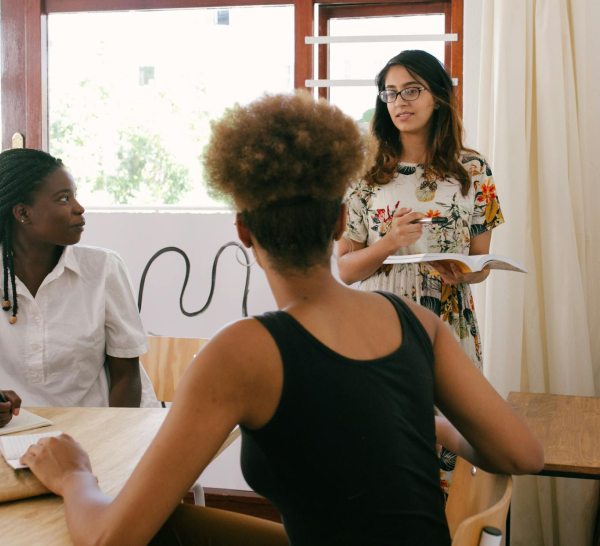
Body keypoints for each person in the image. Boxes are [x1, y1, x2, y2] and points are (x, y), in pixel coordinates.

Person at [22, 92, 543, 546]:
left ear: (243, 231)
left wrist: (74, 477)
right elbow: (523, 453)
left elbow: (109, 539)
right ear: (341, 221)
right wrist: (428, 424)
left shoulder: (241, 350)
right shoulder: (412, 319)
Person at [336, 50, 505, 492]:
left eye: (412, 90)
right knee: (381, 451)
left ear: (439, 98)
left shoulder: (473, 170)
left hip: (448, 322)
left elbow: (480, 260)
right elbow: (345, 271)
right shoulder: (364, 174)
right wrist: (389, 243)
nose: (399, 101)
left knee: (446, 458)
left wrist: (464, 273)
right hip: (378, 324)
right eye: (390, 93)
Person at [0, 148, 157, 408]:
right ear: (23, 213)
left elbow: (127, 376)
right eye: (63, 199)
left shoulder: (103, 269)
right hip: (11, 436)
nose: (79, 208)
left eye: (75, 196)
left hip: (95, 435)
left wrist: (112, 444)